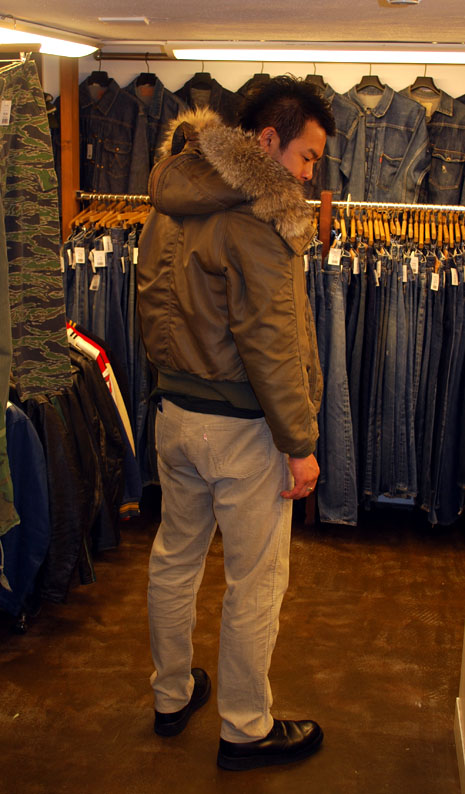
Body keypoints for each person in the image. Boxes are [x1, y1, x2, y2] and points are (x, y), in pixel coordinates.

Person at [137, 76, 335, 772]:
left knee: (175, 557)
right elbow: (271, 342)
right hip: (241, 427)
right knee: (256, 580)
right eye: (307, 157)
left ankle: (170, 695)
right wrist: (300, 444)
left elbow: (149, 302)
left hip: (175, 414)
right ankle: (246, 729)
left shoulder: (170, 202)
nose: (309, 175)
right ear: (268, 140)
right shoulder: (257, 216)